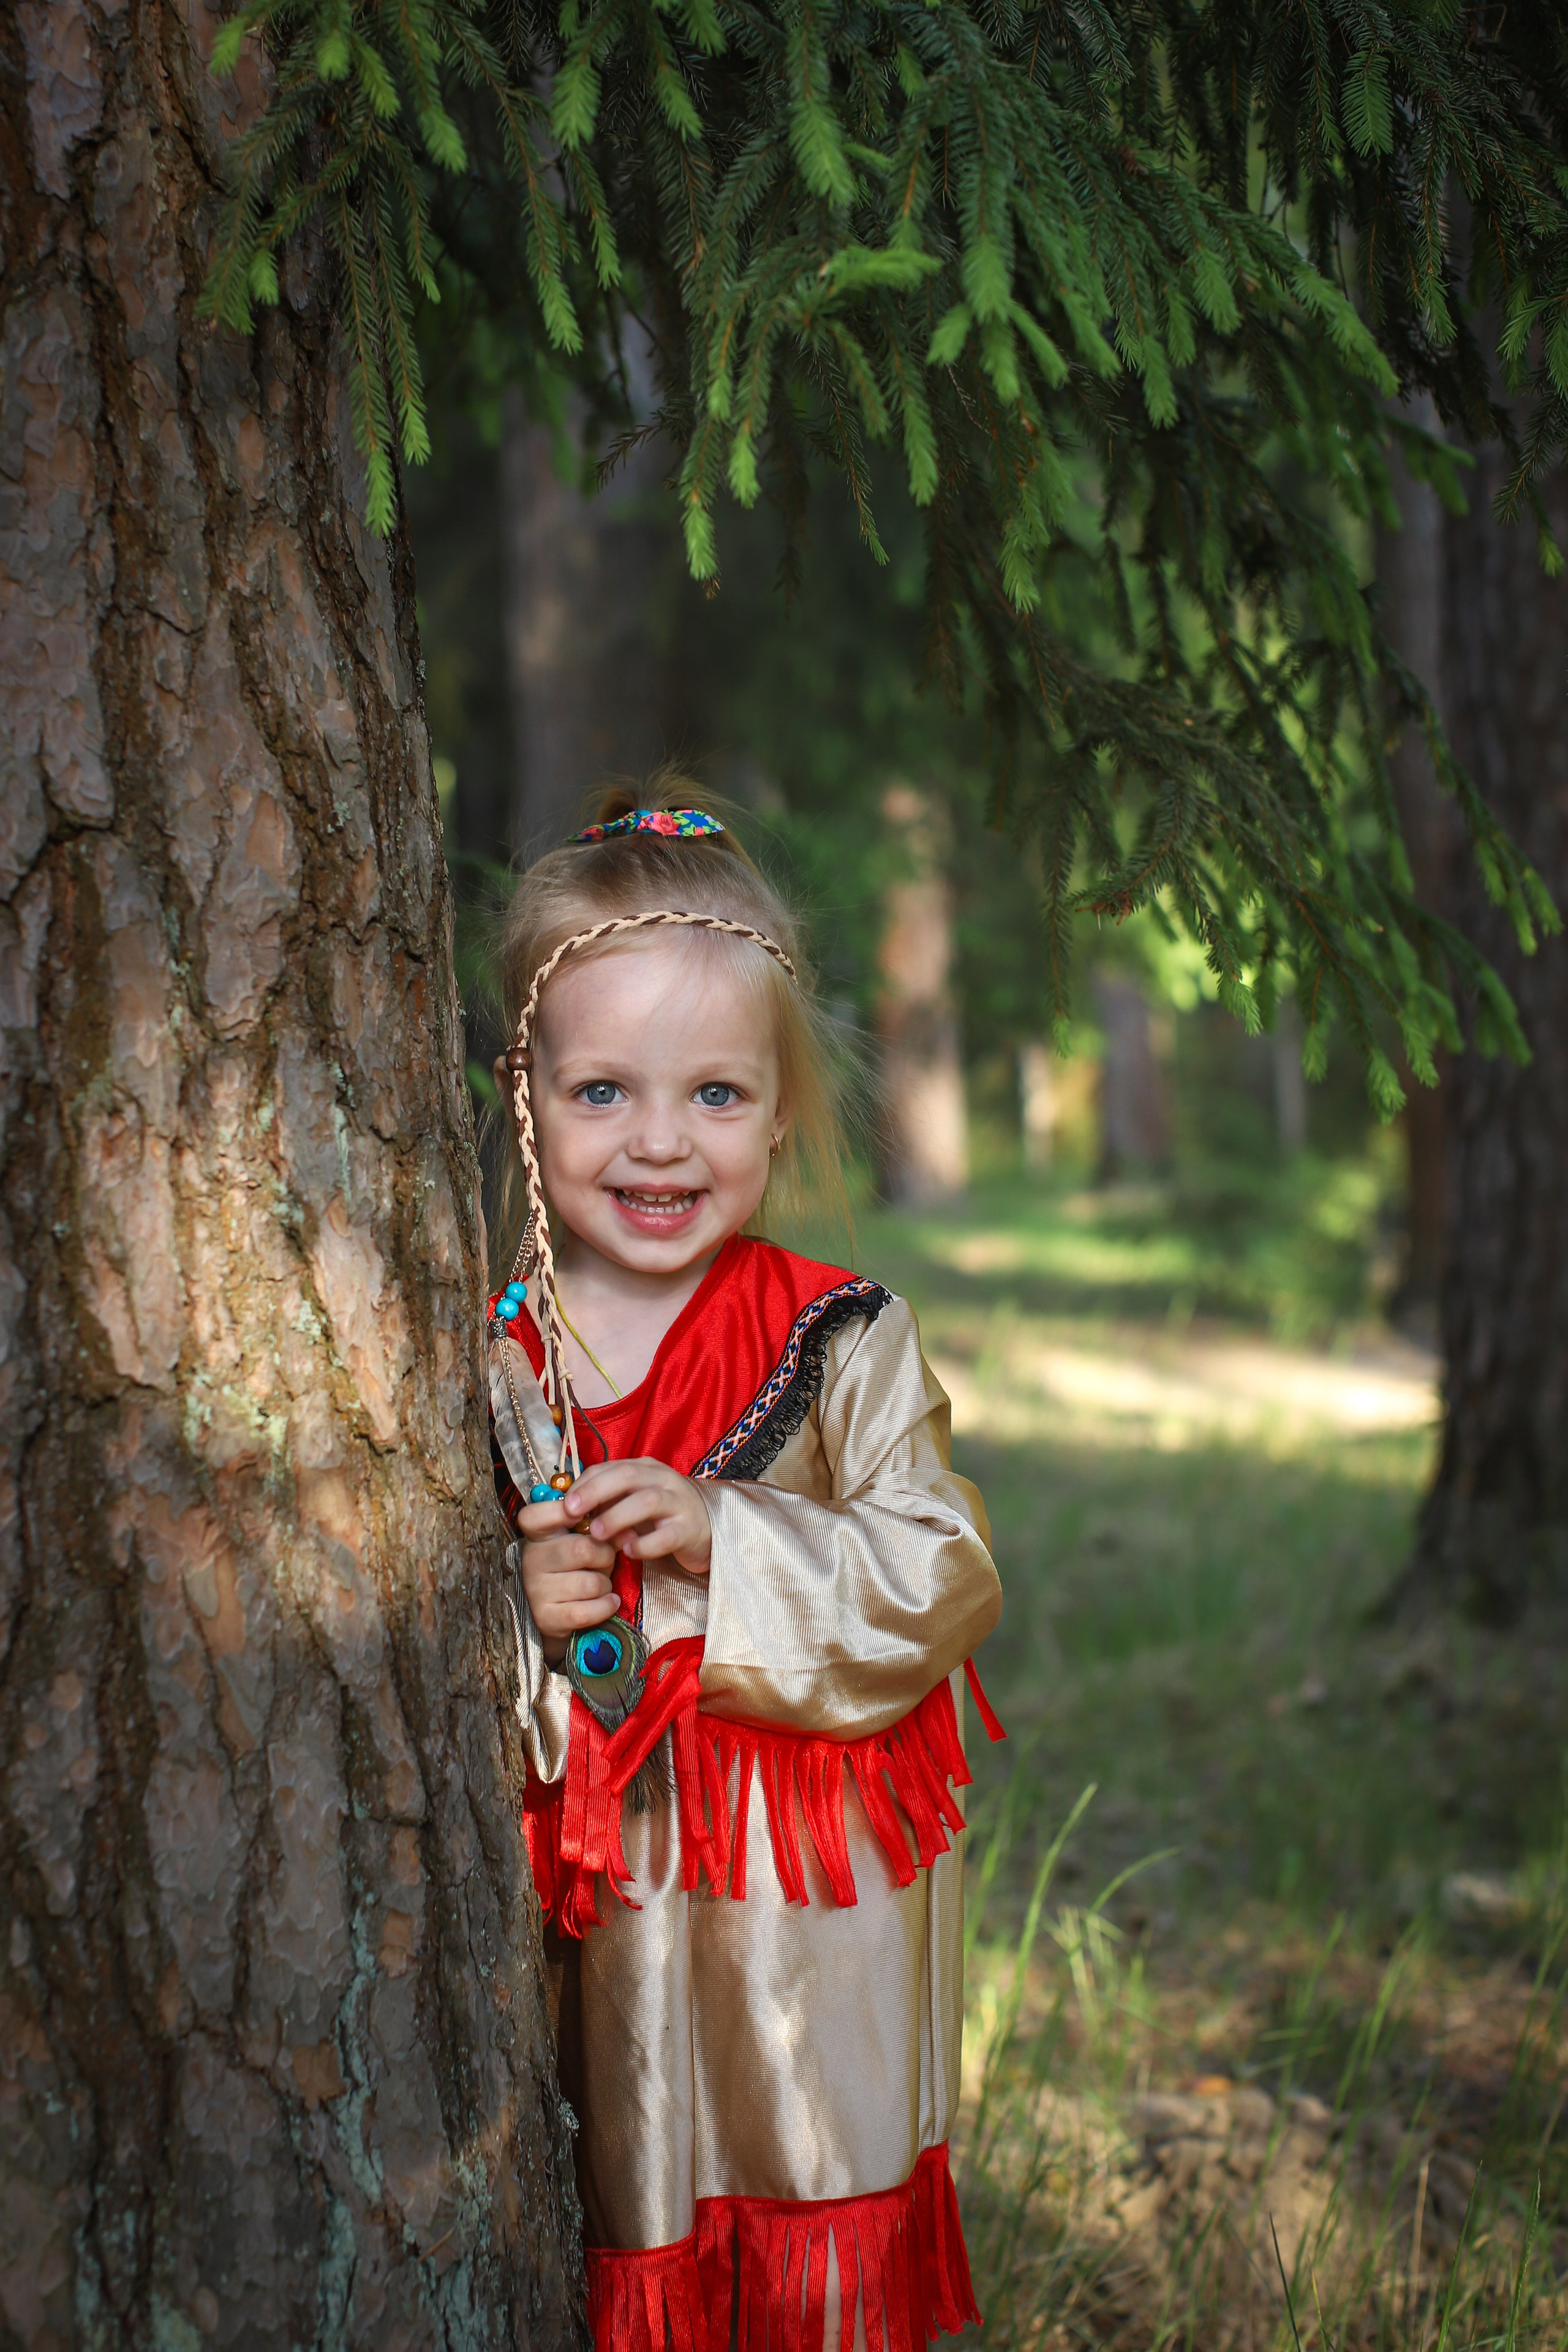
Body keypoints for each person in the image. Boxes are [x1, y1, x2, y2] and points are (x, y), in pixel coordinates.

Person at [486, 781, 1005, 2352]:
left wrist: (733, 1541)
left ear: (780, 1110)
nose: (658, 1142)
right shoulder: (501, 1354)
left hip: (808, 1917)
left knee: (804, 2217)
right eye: (602, 1093)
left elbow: (942, 1568)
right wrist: (531, 1624)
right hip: (616, 1905)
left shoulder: (838, 1334)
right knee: (625, 2200)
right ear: (525, 1095)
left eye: (715, 1094)